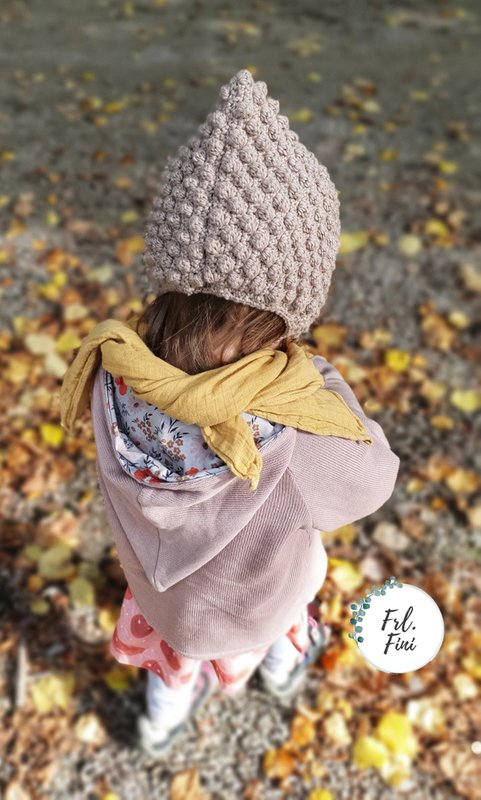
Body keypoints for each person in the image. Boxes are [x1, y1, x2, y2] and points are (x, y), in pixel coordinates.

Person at [59, 69, 400, 758]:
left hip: (161, 601)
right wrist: (315, 377)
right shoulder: (292, 435)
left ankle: (159, 725)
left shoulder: (114, 367)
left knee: (172, 668)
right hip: (248, 612)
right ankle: (281, 672)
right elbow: (373, 478)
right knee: (282, 623)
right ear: (288, 307)